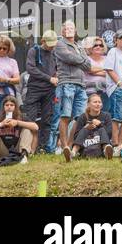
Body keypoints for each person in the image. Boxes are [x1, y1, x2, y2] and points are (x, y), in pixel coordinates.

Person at [53, 20, 104, 153]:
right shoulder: (59, 44)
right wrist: (81, 59)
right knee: (65, 116)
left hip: (81, 85)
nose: (68, 30)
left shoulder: (79, 46)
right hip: (66, 84)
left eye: (71, 28)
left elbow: (87, 65)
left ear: (75, 31)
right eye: (66, 28)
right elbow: (71, 58)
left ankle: (70, 146)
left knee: (80, 117)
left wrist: (80, 59)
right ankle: (63, 145)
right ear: (62, 31)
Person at [22, 29, 59, 154]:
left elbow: (57, 68)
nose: (52, 46)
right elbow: (30, 69)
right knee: (29, 119)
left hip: (49, 90)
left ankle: (42, 147)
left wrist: (57, 75)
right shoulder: (34, 50)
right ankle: (27, 147)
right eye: (50, 44)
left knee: (47, 119)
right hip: (34, 89)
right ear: (43, 41)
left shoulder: (54, 52)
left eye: (54, 44)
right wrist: (49, 78)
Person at [63, 91, 114, 161]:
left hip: (100, 145)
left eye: (99, 102)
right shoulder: (82, 117)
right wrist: (85, 128)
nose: (98, 104)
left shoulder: (106, 116)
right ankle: (73, 153)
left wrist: (100, 125)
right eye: (95, 102)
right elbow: (75, 136)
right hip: (86, 146)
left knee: (102, 129)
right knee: (84, 129)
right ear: (88, 104)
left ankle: (106, 152)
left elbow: (109, 134)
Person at [0, 94, 37, 162]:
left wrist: (17, 122)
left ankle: (24, 156)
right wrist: (1, 124)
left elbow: (36, 127)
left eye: (11, 105)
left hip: (17, 150)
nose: (9, 107)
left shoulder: (21, 117)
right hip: (2, 150)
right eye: (7, 105)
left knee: (27, 130)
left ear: (15, 107)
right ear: (3, 107)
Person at [0, 35, 20, 111]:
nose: (1, 50)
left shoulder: (13, 62)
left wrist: (5, 80)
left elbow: (18, 80)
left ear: (9, 49)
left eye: (4, 48)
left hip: (8, 94)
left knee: (8, 118)